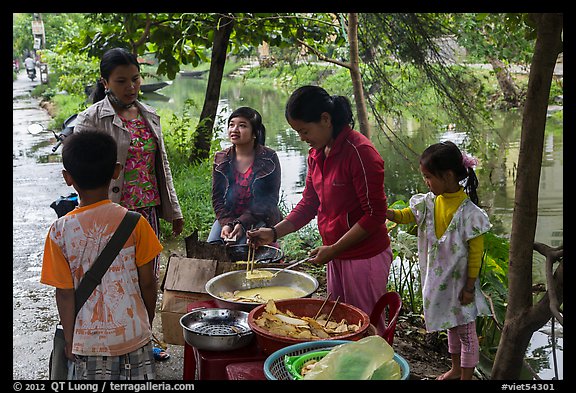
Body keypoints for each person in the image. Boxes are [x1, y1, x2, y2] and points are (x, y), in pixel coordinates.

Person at [247, 85, 392, 334]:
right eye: (298, 132)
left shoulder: (360, 153)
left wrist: (334, 249)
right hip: (335, 254)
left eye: (304, 131)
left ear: (325, 119)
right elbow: (309, 204)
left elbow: (376, 215)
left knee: (365, 327)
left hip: (364, 257)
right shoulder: (316, 154)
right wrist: (273, 233)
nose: (302, 138)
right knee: (339, 324)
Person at [40, 130, 163, 380]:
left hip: (87, 343)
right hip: (133, 336)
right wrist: (145, 323)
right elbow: (148, 283)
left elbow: (64, 293)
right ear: (116, 171)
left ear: (67, 178)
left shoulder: (59, 231)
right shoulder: (136, 223)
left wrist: (70, 338)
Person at [73, 47, 184, 282]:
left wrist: (175, 210)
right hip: (110, 211)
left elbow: (161, 167)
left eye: (135, 79)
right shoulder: (90, 119)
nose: (131, 87)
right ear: (105, 82)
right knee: (115, 278)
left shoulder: (149, 115)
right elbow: (79, 170)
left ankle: (143, 318)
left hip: (147, 212)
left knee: (148, 277)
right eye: (121, 81)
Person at [385, 140, 492, 380]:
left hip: (460, 286)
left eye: (428, 177)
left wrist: (469, 287)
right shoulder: (429, 202)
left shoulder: (470, 214)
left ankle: (466, 377)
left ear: (448, 175)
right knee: (451, 327)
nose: (426, 182)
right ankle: (455, 369)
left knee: (466, 332)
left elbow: (475, 255)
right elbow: (407, 215)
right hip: (439, 282)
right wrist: (389, 213)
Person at [207, 106, 282, 245]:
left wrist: (241, 224)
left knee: (243, 250)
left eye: (242, 126)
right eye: (231, 125)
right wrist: (226, 224)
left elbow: (269, 201)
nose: (234, 129)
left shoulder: (269, 158)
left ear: (255, 133)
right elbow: (217, 198)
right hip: (229, 217)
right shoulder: (221, 158)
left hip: (260, 216)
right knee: (213, 246)